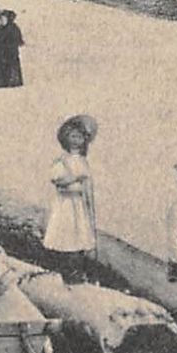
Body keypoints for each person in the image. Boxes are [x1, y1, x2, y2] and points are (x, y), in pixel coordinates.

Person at [43, 115, 99, 282]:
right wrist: (75, 178)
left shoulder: (83, 161)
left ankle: (79, 272)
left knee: (81, 236)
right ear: (66, 138)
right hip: (66, 204)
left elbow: (88, 184)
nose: (76, 141)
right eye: (73, 136)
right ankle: (66, 271)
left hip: (79, 204)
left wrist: (89, 204)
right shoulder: (62, 160)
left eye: (80, 137)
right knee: (66, 236)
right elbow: (58, 181)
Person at [0, 10, 25, 88]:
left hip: (11, 53)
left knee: (12, 66)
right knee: (1, 66)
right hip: (2, 53)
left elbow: (18, 40)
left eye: (4, 19)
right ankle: (2, 81)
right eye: (1, 19)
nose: (2, 20)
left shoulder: (14, 28)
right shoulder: (0, 29)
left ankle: (13, 80)